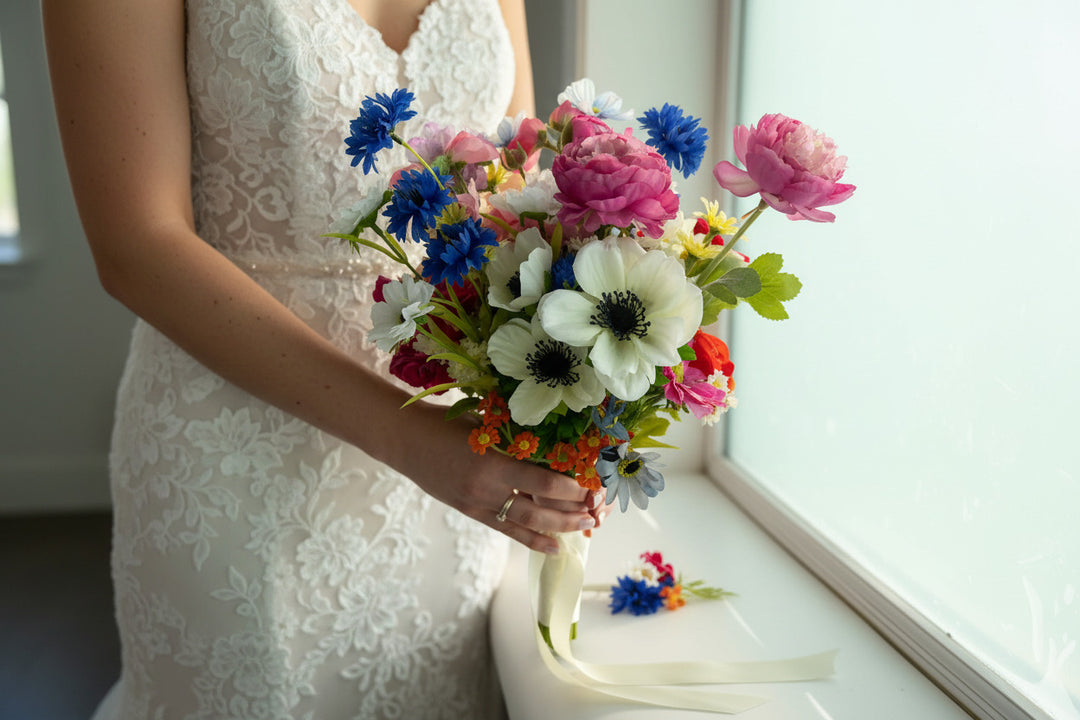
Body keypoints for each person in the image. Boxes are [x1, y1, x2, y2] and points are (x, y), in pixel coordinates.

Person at [43, 1, 605, 717]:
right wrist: (420, 445)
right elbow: (135, 246)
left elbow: (511, 195)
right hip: (238, 469)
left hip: (456, 473)